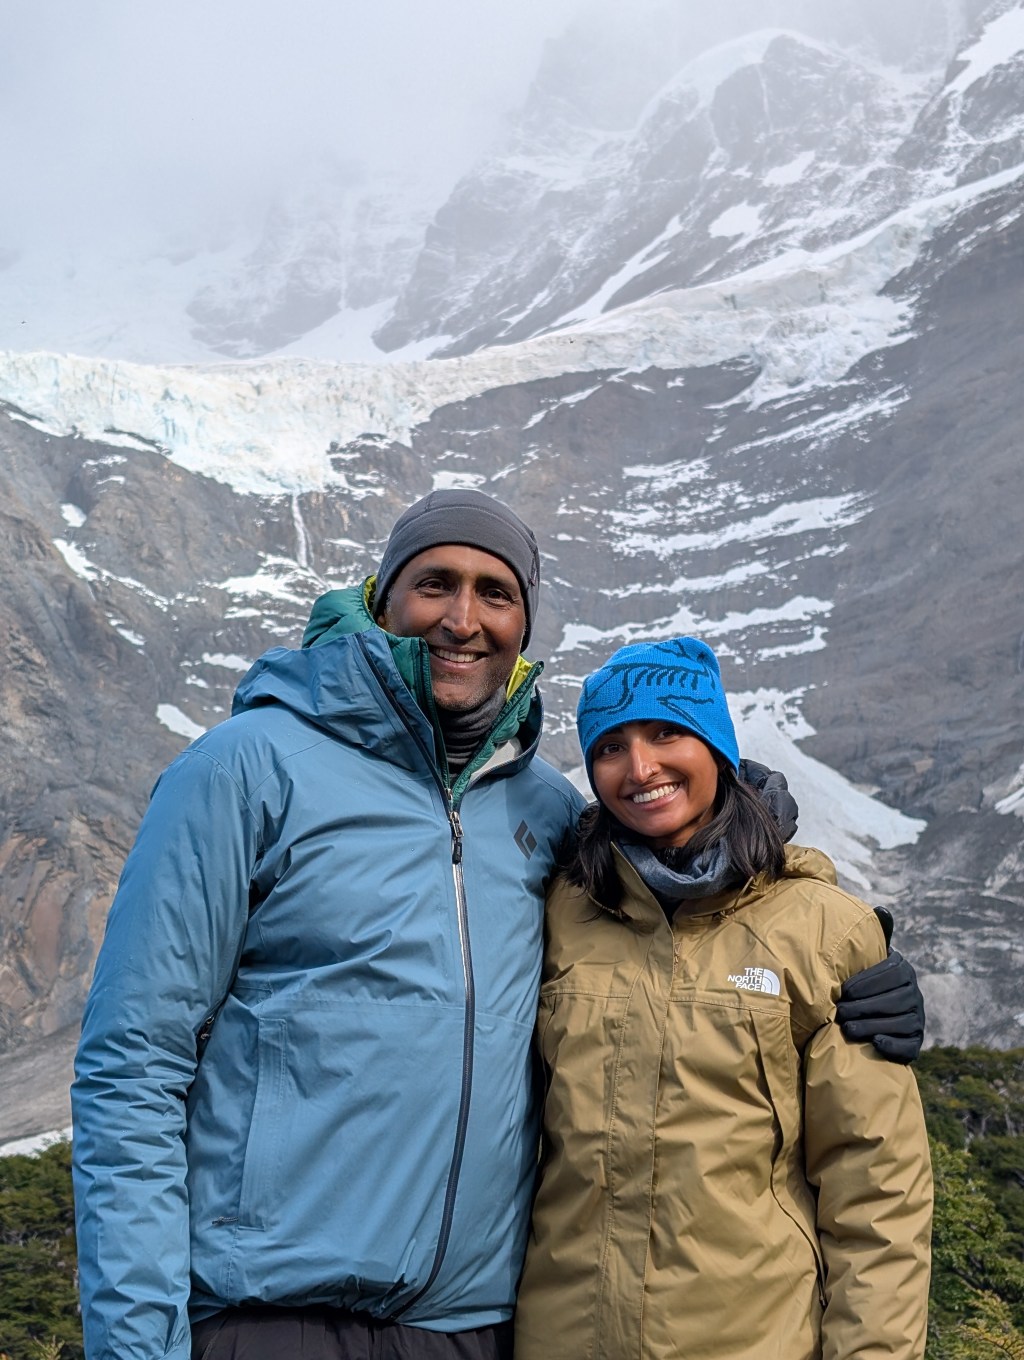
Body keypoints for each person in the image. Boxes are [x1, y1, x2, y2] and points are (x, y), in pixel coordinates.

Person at [71, 491, 925, 1360]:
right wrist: (137, 1343)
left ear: (524, 623)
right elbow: (132, 1065)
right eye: (434, 583)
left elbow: (682, 902)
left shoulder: (546, 814)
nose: (463, 618)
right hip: (271, 1319)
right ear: (381, 599)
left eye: (496, 591)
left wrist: (855, 956)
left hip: (474, 1332)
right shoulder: (246, 768)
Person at [514, 635, 933, 1360]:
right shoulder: (560, 913)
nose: (640, 767)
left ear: (716, 747)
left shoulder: (823, 931)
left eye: (667, 732)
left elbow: (878, 1197)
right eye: (610, 746)